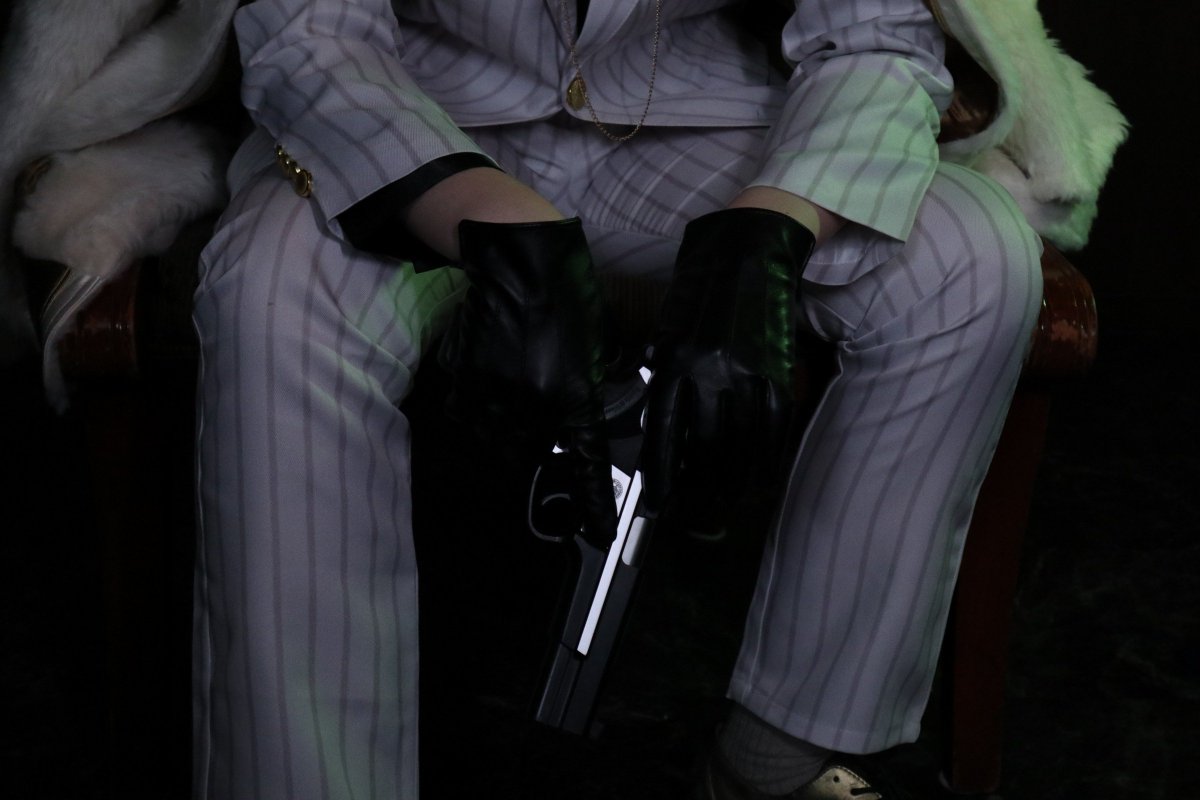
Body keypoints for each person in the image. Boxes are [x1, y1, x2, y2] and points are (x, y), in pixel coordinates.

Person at [191, 1, 1044, 798]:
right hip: (412, 114)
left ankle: (778, 758)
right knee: (271, 289)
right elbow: (309, 28)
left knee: (972, 258)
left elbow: (874, 31)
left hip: (702, 122)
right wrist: (485, 216)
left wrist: (772, 231)